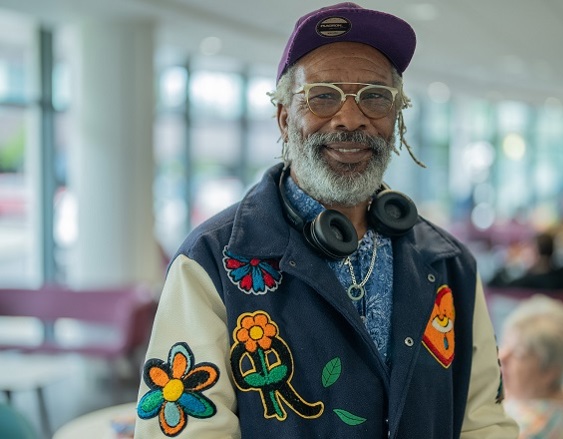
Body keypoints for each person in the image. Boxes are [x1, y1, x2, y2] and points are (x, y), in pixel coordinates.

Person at [134, 3, 518, 438]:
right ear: (284, 119)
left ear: (396, 118)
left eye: (374, 97)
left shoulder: (448, 265)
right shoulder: (212, 260)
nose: (351, 118)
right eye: (322, 95)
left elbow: (484, 420)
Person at [499, 295, 563, 439]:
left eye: (518, 354)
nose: (501, 357)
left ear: (550, 371)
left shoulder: (524, 431)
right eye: (504, 343)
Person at [489, 231, 563, 292]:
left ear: (540, 256)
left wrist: (508, 267)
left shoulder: (526, 283)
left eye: (529, 251)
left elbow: (493, 285)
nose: (524, 255)